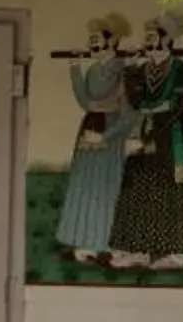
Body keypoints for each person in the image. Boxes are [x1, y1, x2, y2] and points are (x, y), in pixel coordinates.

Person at [110, 17, 183, 270]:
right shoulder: (143, 69)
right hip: (146, 129)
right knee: (139, 188)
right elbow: (136, 101)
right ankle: (140, 249)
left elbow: (176, 104)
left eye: (152, 37)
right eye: (146, 38)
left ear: (166, 39)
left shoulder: (180, 68)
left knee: (174, 190)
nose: (147, 42)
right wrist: (132, 71)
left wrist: (151, 113)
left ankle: (175, 253)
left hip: (172, 132)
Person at [56, 15, 138, 267]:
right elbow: (86, 102)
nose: (91, 44)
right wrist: (74, 68)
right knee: (84, 185)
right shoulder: (94, 69)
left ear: (111, 40)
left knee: (106, 188)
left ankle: (107, 244)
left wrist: (108, 134)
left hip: (110, 130)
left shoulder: (121, 70)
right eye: (90, 40)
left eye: (96, 39)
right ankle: (84, 243)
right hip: (90, 127)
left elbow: (130, 110)